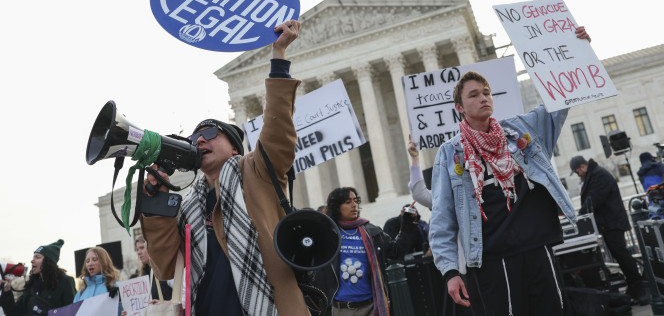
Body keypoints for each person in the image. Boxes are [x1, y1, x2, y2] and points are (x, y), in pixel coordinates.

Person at [141, 21, 309, 316]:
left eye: (208, 133)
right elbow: (165, 267)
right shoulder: (187, 203)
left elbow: (278, 128)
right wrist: (156, 206)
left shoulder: (256, 172)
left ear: (234, 147)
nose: (198, 141)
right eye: (193, 139)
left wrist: (279, 55)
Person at [429, 26, 589, 316]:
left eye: (487, 92)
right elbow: (442, 216)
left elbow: (559, 103)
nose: (483, 98)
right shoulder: (450, 153)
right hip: (493, 258)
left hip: (538, 246)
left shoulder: (520, 131)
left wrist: (576, 53)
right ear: (459, 108)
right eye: (474, 95)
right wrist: (450, 270)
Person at [569, 156, 649, 305]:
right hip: (609, 223)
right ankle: (634, 286)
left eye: (577, 171)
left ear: (582, 167)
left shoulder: (598, 175)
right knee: (620, 255)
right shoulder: (595, 174)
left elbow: (594, 199)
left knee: (622, 254)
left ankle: (639, 286)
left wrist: (581, 215)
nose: (578, 174)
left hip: (612, 223)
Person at [325, 186, 409, 316]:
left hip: (372, 307)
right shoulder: (329, 235)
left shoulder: (372, 231)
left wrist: (407, 223)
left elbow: (396, 252)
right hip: (341, 310)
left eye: (355, 200)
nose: (354, 205)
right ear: (337, 207)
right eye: (348, 202)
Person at [0, 239, 76, 315]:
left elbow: (72, 311)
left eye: (37, 257)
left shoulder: (65, 281)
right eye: (33, 257)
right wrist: (7, 291)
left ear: (48, 261)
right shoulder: (32, 285)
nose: (32, 261)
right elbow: (14, 313)